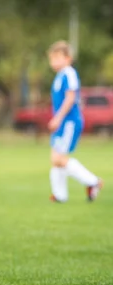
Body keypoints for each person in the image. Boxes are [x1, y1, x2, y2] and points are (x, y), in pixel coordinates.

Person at [47, 40, 103, 203]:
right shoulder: (59, 76)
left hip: (69, 122)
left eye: (58, 58)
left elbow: (70, 98)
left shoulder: (69, 73)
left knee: (59, 158)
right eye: (52, 59)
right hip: (62, 123)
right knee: (55, 158)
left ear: (68, 58)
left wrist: (57, 118)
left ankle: (93, 182)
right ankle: (60, 195)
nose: (54, 62)